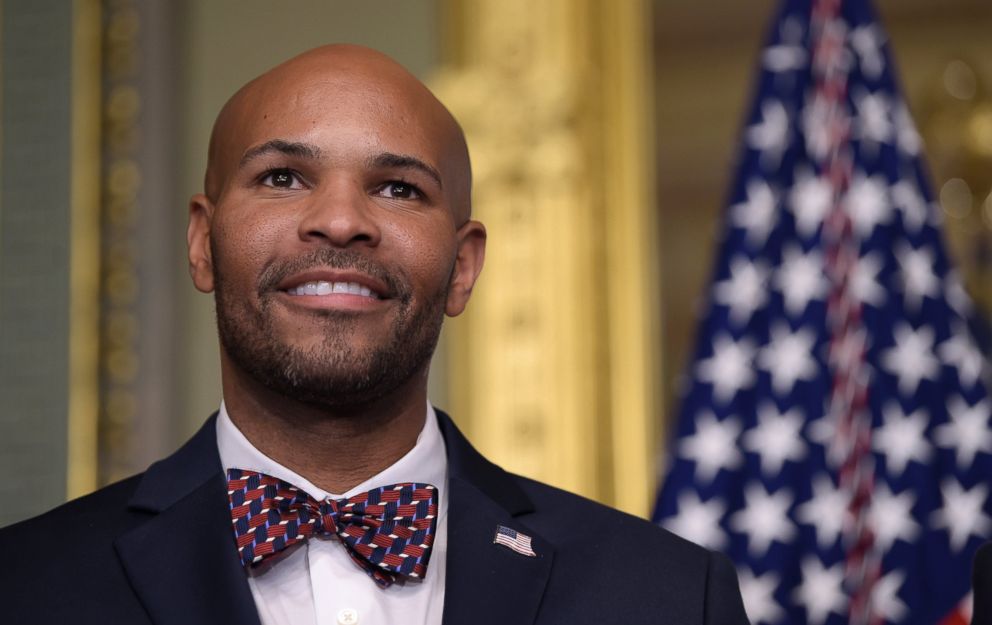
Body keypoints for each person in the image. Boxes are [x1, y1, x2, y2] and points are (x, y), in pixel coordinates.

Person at [0, 44, 749, 625]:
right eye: (283, 176)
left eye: (398, 188)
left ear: (462, 266)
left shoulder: (672, 596)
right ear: (203, 241)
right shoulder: (23, 585)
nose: (340, 220)